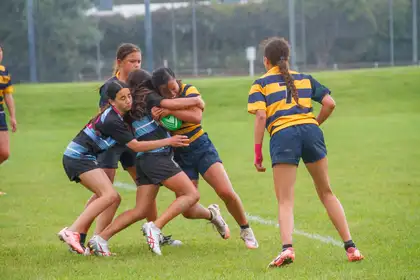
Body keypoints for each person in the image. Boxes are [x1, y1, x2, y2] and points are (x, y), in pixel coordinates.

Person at [247, 37, 364, 267]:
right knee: (327, 192)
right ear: (287, 58)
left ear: (265, 60)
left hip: (283, 134)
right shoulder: (305, 78)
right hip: (311, 132)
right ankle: (351, 246)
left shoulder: (260, 83)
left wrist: (258, 152)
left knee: (285, 199)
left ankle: (287, 249)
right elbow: (330, 103)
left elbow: (261, 116)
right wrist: (315, 124)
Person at [88, 69, 229, 256]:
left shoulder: (130, 106)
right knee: (191, 194)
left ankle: (100, 238)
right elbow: (169, 103)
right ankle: (155, 227)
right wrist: (197, 100)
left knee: (140, 209)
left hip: (143, 160)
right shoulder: (148, 97)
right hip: (157, 157)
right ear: (145, 85)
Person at [58, 80, 189, 254]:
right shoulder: (113, 120)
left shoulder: (118, 116)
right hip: (78, 157)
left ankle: (94, 240)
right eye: (122, 98)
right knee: (109, 195)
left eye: (129, 96)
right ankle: (72, 231)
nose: (128, 101)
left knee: (113, 198)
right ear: (112, 101)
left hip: (82, 157)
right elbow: (135, 146)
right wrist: (169, 141)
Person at [150, 67, 259, 249]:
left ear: (176, 79)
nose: (172, 93)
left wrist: (170, 110)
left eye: (173, 87)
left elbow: (196, 116)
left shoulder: (188, 90)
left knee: (225, 191)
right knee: (189, 209)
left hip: (201, 146)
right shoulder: (156, 102)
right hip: (180, 153)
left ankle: (246, 229)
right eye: (166, 92)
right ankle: (212, 215)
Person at [0, 44, 17, 196]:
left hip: (0, 114)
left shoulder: (4, 71)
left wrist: (12, 116)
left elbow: (8, 95)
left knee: (4, 153)